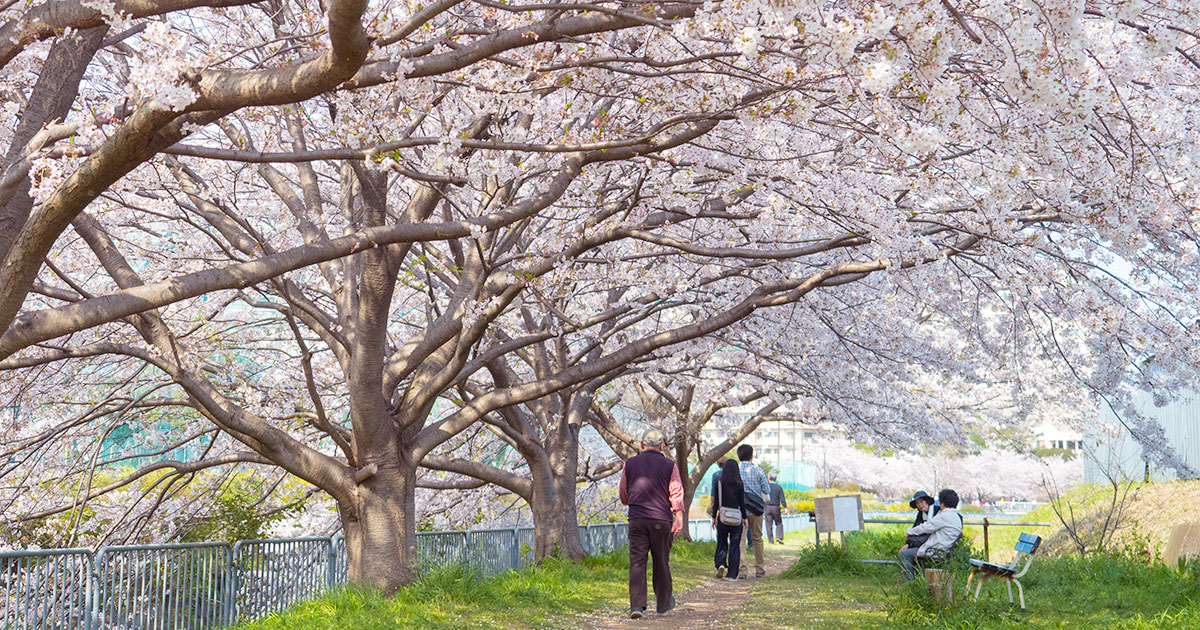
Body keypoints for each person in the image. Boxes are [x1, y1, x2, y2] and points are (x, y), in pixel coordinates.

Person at [619, 429, 684, 619]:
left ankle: (637, 605)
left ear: (641, 445)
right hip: (661, 519)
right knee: (661, 560)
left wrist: (629, 501)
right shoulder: (669, 465)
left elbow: (624, 492)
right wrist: (678, 517)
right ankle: (663, 603)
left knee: (637, 561)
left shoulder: (629, 464)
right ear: (662, 446)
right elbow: (676, 492)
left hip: (637, 518)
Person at [898, 489, 963, 581]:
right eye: (917, 503)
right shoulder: (955, 516)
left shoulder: (943, 515)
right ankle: (918, 580)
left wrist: (909, 532)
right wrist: (908, 543)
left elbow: (925, 527)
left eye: (922, 501)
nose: (920, 505)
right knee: (911, 552)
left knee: (903, 555)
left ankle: (910, 583)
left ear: (942, 503)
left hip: (935, 549)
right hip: (943, 548)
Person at [709, 459, 748, 580]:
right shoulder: (739, 484)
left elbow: (715, 503)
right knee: (734, 546)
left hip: (723, 516)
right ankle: (732, 574)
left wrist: (714, 517)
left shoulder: (719, 483)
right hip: (736, 518)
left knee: (722, 542)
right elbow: (742, 503)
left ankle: (720, 563)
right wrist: (745, 518)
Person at [736, 444, 770, 578]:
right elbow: (767, 490)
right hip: (756, 509)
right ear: (752, 455)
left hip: (740, 509)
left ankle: (742, 570)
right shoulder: (759, 471)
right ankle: (760, 569)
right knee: (757, 539)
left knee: (741, 539)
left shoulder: (735, 470)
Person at [764, 472, 787, 544]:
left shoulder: (765, 486)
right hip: (776, 507)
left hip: (767, 507)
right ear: (776, 479)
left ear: (768, 478)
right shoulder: (779, 487)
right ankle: (779, 537)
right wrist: (785, 507)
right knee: (779, 523)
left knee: (768, 524)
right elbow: (782, 498)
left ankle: (770, 541)